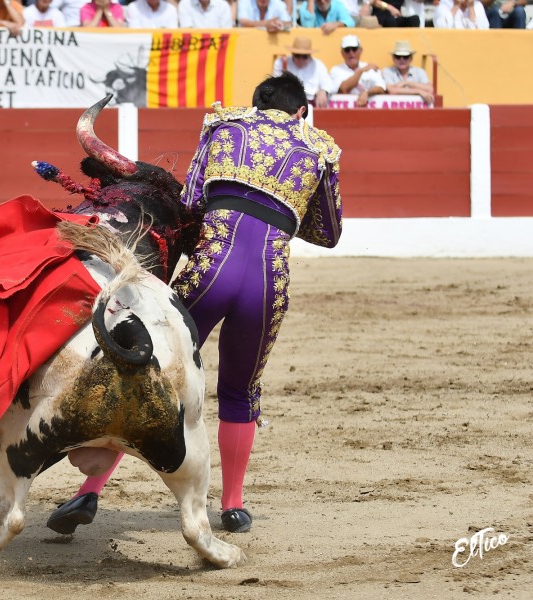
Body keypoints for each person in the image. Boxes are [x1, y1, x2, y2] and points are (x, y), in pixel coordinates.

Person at [46, 71, 342, 536]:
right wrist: (283, 207)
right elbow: (329, 232)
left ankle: (90, 491)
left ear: (255, 102)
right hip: (268, 279)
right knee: (241, 391)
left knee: (148, 371)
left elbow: (192, 199)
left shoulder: (222, 128)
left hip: (211, 270)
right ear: (300, 111)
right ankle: (234, 505)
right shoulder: (320, 149)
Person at [272, 36, 335, 109]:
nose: (300, 60)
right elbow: (275, 86)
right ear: (292, 54)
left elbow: (329, 85)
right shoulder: (281, 63)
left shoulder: (318, 65)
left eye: (304, 57)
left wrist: (323, 91)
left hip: (311, 104)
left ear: (310, 55)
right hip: (289, 104)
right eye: (297, 56)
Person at [330, 34, 385, 107]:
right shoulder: (336, 70)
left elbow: (381, 88)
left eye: (354, 49)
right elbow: (343, 89)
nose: (351, 53)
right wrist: (360, 71)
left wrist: (367, 93)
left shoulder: (370, 68)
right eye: (347, 50)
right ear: (342, 53)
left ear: (360, 50)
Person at [382, 40, 433, 105]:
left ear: (411, 58)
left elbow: (429, 89)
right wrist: (419, 91)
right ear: (393, 58)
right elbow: (392, 90)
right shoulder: (388, 71)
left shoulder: (419, 71)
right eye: (398, 57)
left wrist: (406, 83)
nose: (402, 60)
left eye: (405, 57)